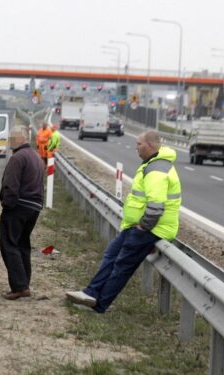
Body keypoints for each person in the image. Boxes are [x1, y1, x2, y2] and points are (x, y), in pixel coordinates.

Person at [66, 131, 182, 313]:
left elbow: (156, 205)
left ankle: (99, 305)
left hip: (151, 229)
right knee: (110, 256)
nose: (136, 147)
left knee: (121, 266)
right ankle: (90, 293)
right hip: (137, 227)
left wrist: (144, 226)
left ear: (150, 146)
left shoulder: (157, 170)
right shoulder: (152, 165)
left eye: (139, 144)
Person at [0, 125, 45, 300]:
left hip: (18, 206)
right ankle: (25, 283)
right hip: (34, 207)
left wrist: (7, 205)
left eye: (12, 137)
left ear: (22, 138)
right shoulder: (36, 156)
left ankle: (19, 287)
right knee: (23, 245)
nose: (10, 140)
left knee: (9, 245)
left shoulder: (18, 158)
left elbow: (11, 184)